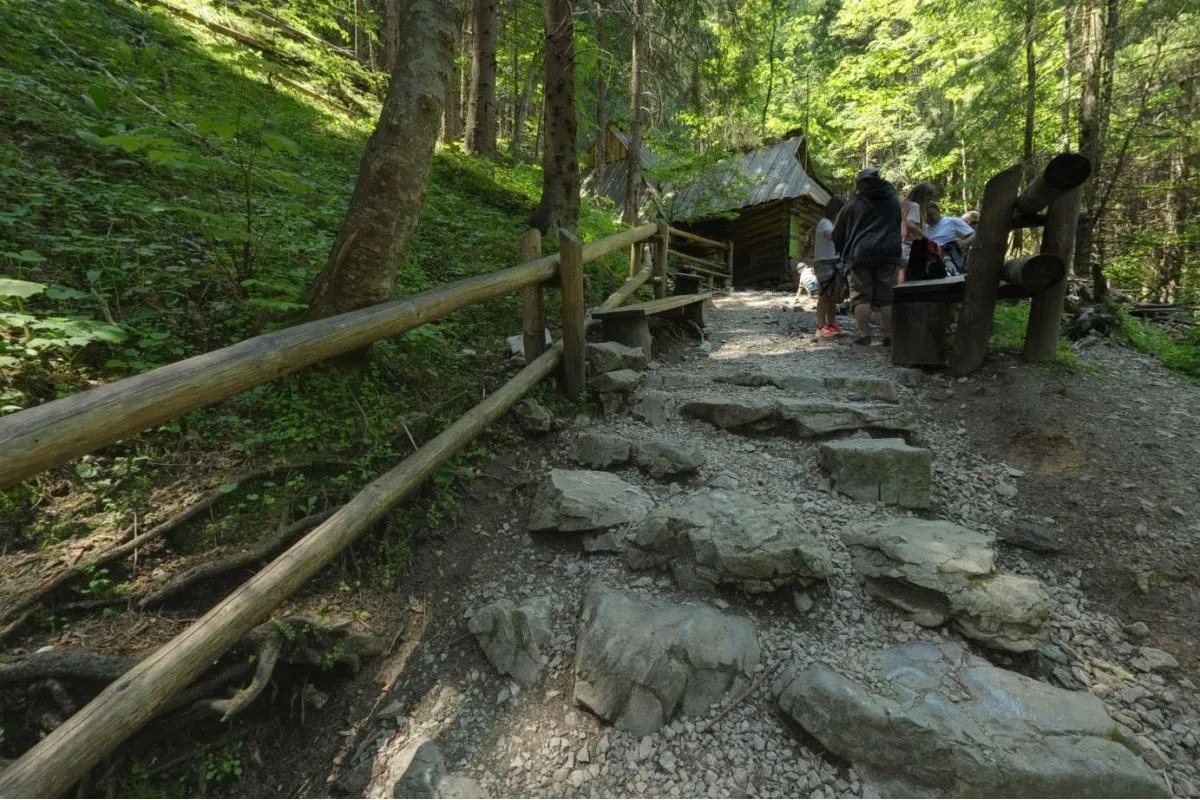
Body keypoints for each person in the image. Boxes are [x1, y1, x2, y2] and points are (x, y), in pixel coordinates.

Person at [833, 167, 902, 346]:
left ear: (861, 183)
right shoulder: (893, 201)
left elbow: (837, 233)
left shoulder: (853, 203)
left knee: (861, 296)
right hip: (888, 252)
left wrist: (842, 252)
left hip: (860, 253)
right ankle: (890, 336)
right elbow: (897, 226)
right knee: (888, 297)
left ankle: (865, 335)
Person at [812, 195, 846, 336]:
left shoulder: (831, 223)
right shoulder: (825, 222)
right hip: (823, 262)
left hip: (832, 261)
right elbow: (832, 235)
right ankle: (820, 326)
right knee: (824, 294)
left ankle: (831, 324)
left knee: (831, 295)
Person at [924, 200, 975, 274]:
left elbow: (974, 235)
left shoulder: (952, 221)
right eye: (925, 216)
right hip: (932, 263)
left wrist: (964, 242)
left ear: (937, 210)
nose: (928, 218)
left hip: (952, 259)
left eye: (930, 215)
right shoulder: (923, 228)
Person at [900, 181, 939, 274]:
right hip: (910, 247)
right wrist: (926, 238)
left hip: (901, 246)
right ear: (924, 195)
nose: (931, 200)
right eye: (930, 197)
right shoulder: (915, 206)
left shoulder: (905, 204)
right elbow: (909, 223)